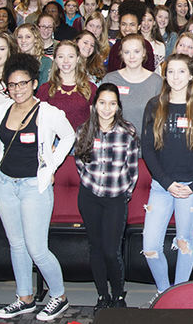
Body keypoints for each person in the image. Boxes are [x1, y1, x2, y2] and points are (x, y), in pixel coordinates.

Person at [0, 53, 75, 321]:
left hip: (33, 187)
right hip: (5, 184)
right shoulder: (2, 109)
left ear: (34, 83)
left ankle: (58, 296)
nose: (17, 89)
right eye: (12, 85)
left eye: (22, 83)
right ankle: (24, 297)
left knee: (37, 248)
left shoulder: (48, 112)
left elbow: (69, 136)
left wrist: (50, 167)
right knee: (16, 244)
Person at [141, 54, 193, 298]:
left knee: (184, 242)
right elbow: (147, 149)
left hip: (190, 186)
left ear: (191, 75)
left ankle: (178, 296)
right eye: (171, 71)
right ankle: (163, 292)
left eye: (182, 72)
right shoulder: (154, 104)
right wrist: (167, 182)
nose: (176, 77)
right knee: (150, 246)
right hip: (161, 185)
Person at [74, 83, 138, 311]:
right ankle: (102, 295)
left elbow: (132, 169)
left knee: (112, 251)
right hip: (89, 196)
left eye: (112, 103)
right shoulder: (84, 130)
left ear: (118, 107)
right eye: (102, 102)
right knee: (96, 248)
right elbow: (79, 161)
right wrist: (90, 183)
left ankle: (119, 295)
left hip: (115, 198)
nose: (106, 108)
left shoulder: (127, 132)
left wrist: (124, 194)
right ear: (95, 105)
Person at [102, 34, 162, 136]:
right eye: (127, 52)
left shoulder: (156, 82)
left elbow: (160, 119)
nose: (132, 56)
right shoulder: (110, 79)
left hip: (146, 143)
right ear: (121, 54)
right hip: (115, 143)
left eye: (136, 51)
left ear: (144, 53)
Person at [36, 40, 97, 128]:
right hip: (54, 140)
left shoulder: (90, 88)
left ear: (78, 59)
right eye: (61, 57)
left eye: (71, 56)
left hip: (82, 139)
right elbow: (39, 121)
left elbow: (94, 121)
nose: (66, 61)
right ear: (55, 60)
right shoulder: (45, 89)